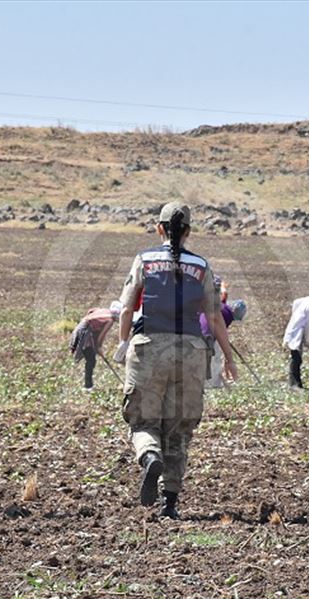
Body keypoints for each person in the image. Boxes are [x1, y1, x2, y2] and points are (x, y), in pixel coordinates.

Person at [113, 202, 238, 520]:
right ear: (188, 232)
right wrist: (228, 357)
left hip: (149, 346)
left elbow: (127, 308)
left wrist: (123, 343)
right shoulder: (202, 266)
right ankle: (170, 503)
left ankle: (149, 454)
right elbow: (214, 316)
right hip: (192, 353)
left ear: (159, 229)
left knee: (143, 422)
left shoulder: (144, 259)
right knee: (180, 430)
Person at [199, 276, 247, 388]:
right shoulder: (228, 316)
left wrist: (223, 286)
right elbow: (221, 331)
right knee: (214, 357)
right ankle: (212, 384)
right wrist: (228, 358)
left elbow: (224, 294)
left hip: (197, 330)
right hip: (208, 334)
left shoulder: (222, 304)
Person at [70, 301, 122, 390]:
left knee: (90, 359)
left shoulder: (104, 311)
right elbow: (101, 336)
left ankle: (88, 385)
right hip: (85, 334)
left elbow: (90, 311)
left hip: (79, 329)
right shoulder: (110, 320)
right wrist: (99, 347)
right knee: (91, 360)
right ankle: (88, 386)